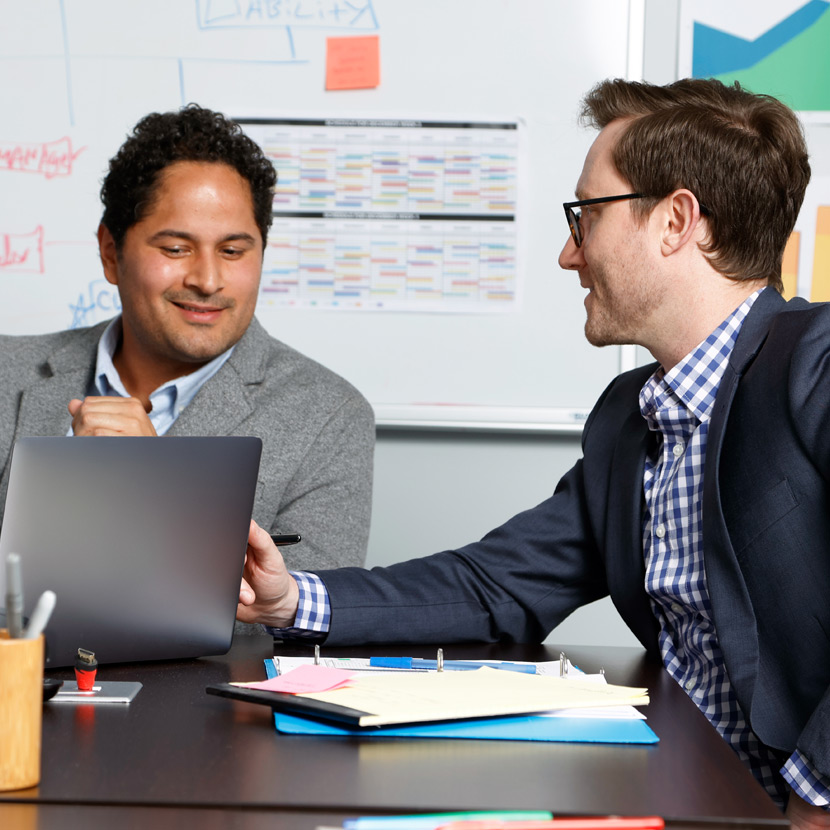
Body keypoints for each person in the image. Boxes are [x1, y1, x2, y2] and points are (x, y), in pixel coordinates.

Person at [236, 78, 830, 825]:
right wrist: (295, 599)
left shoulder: (817, 363)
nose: (567, 254)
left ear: (677, 221)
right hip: (679, 799)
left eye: (584, 217)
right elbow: (498, 587)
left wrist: (818, 792)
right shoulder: (628, 421)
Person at [0, 105, 375, 600]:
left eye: (233, 251)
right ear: (112, 252)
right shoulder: (8, 373)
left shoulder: (329, 416)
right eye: (176, 249)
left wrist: (154, 489)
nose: (207, 279)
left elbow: (294, 627)